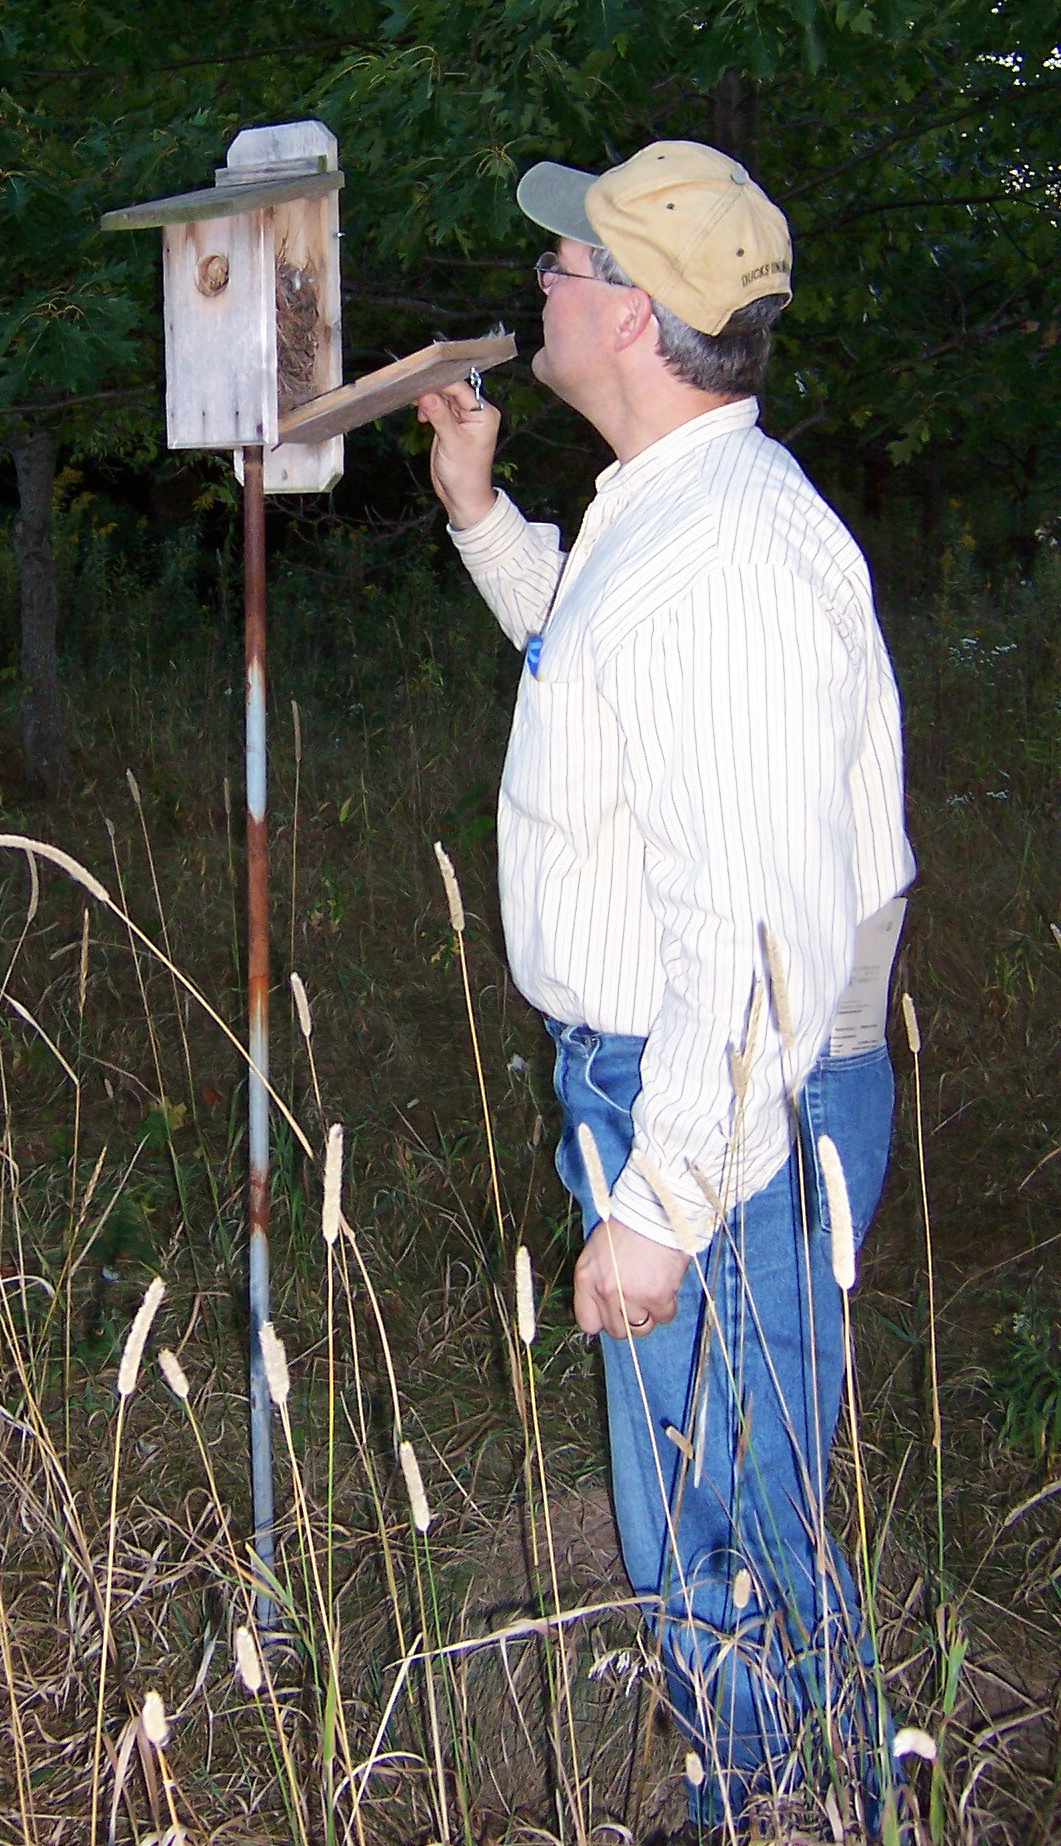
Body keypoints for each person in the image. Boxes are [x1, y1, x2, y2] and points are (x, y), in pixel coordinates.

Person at [418, 142, 914, 1826]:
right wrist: (482, 515)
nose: (538, 285)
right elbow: (595, 661)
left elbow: (758, 941)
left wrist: (663, 1196)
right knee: (707, 1492)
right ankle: (768, 1766)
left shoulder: (733, 561)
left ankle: (786, 1799)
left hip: (725, 1100)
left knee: (720, 1515)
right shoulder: (672, 507)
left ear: (629, 314)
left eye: (564, 266)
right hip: (668, 1076)